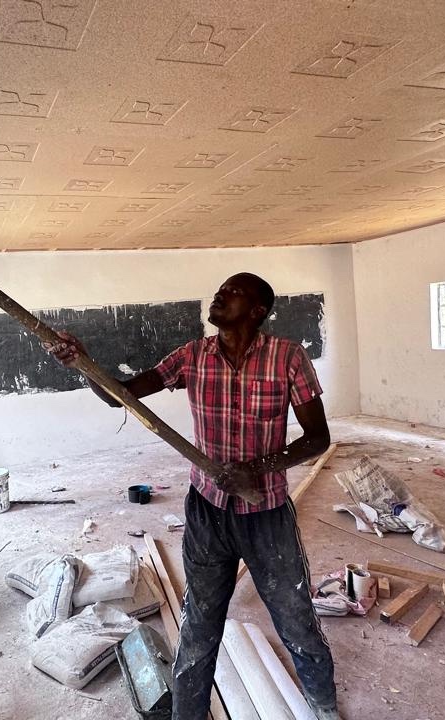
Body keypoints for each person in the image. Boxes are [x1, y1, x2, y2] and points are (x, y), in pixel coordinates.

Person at [49, 273, 340, 720]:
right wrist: (84, 363)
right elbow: (120, 398)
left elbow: (317, 438)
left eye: (232, 292)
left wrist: (258, 467)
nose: (220, 295)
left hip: (267, 516)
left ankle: (322, 708)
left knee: (295, 620)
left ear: (258, 310)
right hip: (207, 513)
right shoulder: (193, 356)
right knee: (200, 625)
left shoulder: (288, 357)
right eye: (220, 290)